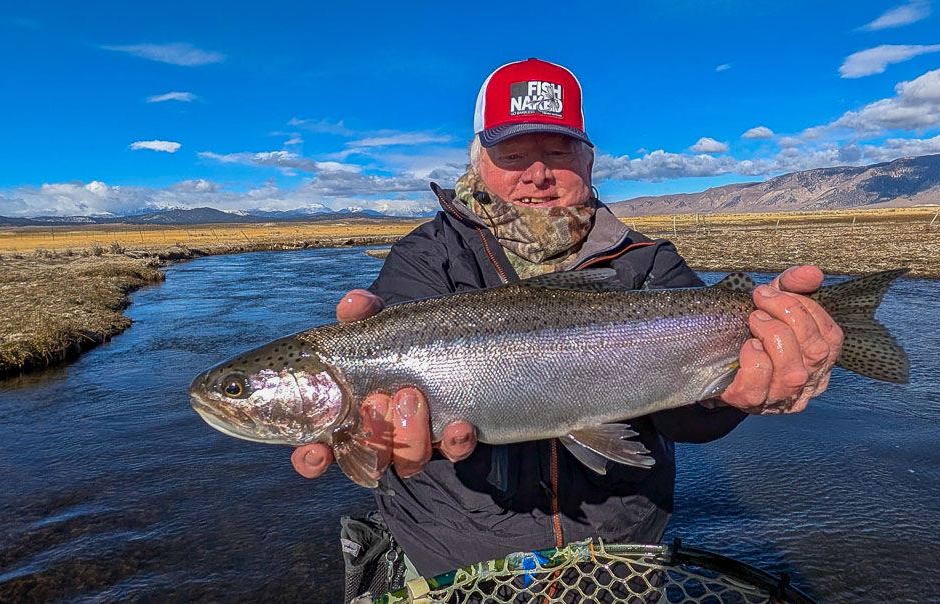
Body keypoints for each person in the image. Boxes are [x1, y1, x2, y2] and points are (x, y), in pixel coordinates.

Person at [292, 59, 844, 579]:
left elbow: (687, 422)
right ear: (477, 162)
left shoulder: (648, 260)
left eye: (557, 151)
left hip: (621, 549)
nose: (537, 175)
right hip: (455, 550)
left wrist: (736, 391)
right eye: (512, 156)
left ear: (589, 161)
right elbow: (386, 412)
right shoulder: (425, 256)